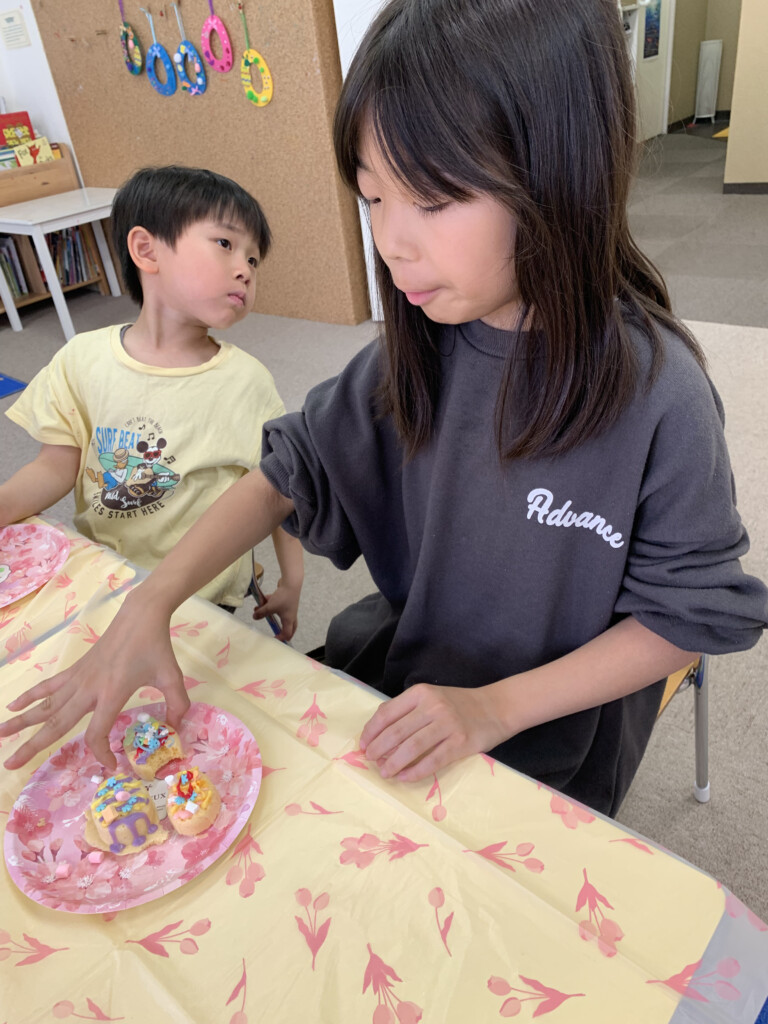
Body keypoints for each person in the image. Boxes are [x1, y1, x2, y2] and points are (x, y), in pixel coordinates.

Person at [2, 0, 766, 816]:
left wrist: (493, 709)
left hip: (548, 740)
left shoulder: (659, 396)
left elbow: (688, 616)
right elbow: (286, 472)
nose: (392, 243)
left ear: (562, 171)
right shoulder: (418, 347)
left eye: (432, 200)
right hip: (407, 679)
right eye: (373, 198)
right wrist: (150, 601)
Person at [0, 165, 303, 637]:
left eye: (253, 259)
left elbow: (277, 487)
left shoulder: (247, 382)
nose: (245, 269)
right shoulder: (81, 359)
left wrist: (292, 579)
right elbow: (55, 466)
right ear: (146, 250)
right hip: (106, 575)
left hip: (201, 592)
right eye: (225, 243)